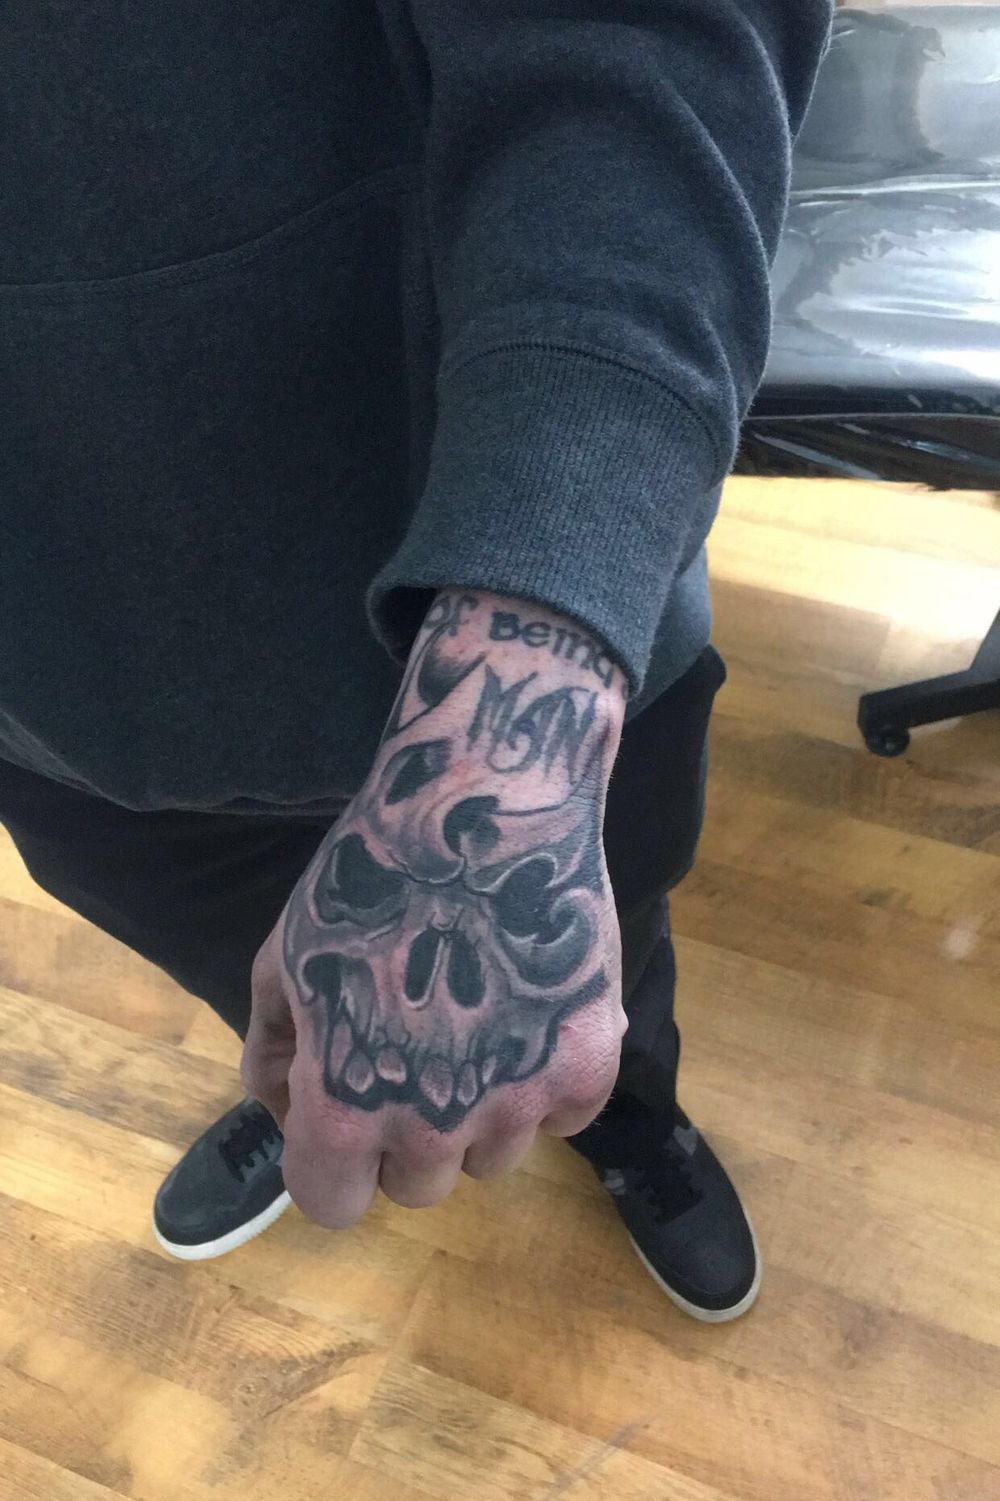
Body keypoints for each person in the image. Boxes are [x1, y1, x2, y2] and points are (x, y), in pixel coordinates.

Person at [0, 0, 832, 1322]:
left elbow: (641, 74)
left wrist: (541, 622)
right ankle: (297, 1090)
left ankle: (634, 1125)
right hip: (74, 709)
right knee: (247, 979)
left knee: (617, 956)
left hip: (523, 626)